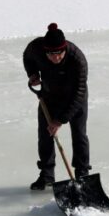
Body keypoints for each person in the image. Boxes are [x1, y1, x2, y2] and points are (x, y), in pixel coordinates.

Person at [23, 23, 90, 191]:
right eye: (52, 54)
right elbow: (28, 57)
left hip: (75, 97)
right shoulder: (36, 47)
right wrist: (32, 74)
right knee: (45, 135)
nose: (56, 57)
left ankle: (82, 174)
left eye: (60, 53)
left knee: (79, 134)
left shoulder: (77, 59)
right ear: (45, 51)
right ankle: (46, 175)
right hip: (49, 95)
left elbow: (79, 92)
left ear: (65, 48)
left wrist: (60, 120)